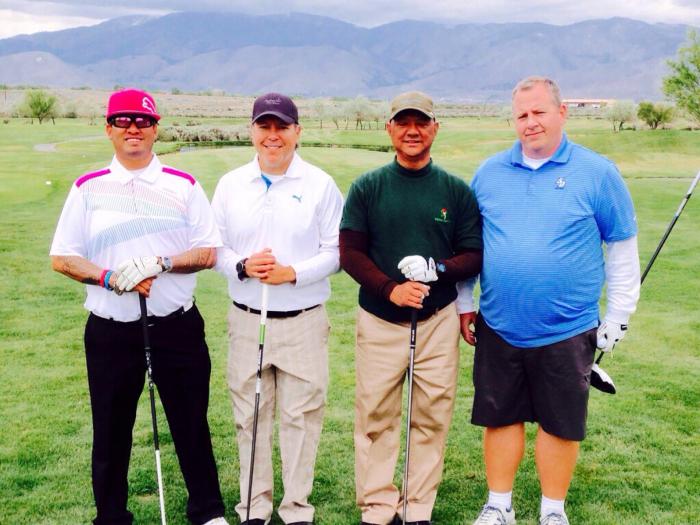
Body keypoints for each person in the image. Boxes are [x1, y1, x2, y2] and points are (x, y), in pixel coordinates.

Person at [463, 76, 640, 525]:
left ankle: (553, 511)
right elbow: (470, 246)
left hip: (568, 327)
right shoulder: (489, 173)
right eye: (522, 115)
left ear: (562, 113)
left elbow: (622, 247)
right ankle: (499, 506)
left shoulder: (597, 172)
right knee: (500, 418)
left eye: (539, 112)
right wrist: (465, 302)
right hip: (499, 322)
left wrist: (619, 314)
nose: (530, 122)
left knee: (559, 423)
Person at [50, 88, 228, 525]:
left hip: (177, 327)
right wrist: (109, 277)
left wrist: (160, 263)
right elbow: (63, 257)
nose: (134, 128)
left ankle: (207, 511)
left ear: (155, 129)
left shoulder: (183, 184)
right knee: (111, 430)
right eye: (123, 121)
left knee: (191, 423)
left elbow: (208, 252)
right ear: (108, 129)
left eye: (143, 121)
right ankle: (111, 516)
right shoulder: (88, 187)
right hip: (111, 329)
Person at [339, 91, 483, 525]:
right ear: (390, 128)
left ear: (435, 128)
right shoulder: (368, 187)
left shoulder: (455, 191)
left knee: (431, 415)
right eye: (403, 122)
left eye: (422, 122)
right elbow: (351, 253)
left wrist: (437, 268)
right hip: (380, 319)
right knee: (376, 415)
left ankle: (417, 506)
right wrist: (391, 290)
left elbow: (474, 254)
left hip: (437, 321)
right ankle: (378, 505)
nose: (413, 130)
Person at [211, 92, 344, 525]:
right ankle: (254, 506)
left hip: (303, 319)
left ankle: (296, 507)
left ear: (297, 131)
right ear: (251, 131)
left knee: (300, 416)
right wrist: (243, 266)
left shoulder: (320, 184)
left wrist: (293, 273)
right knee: (250, 415)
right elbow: (216, 249)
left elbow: (336, 252)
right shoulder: (231, 184)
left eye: (282, 127)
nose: (273, 135)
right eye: (264, 126)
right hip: (248, 318)